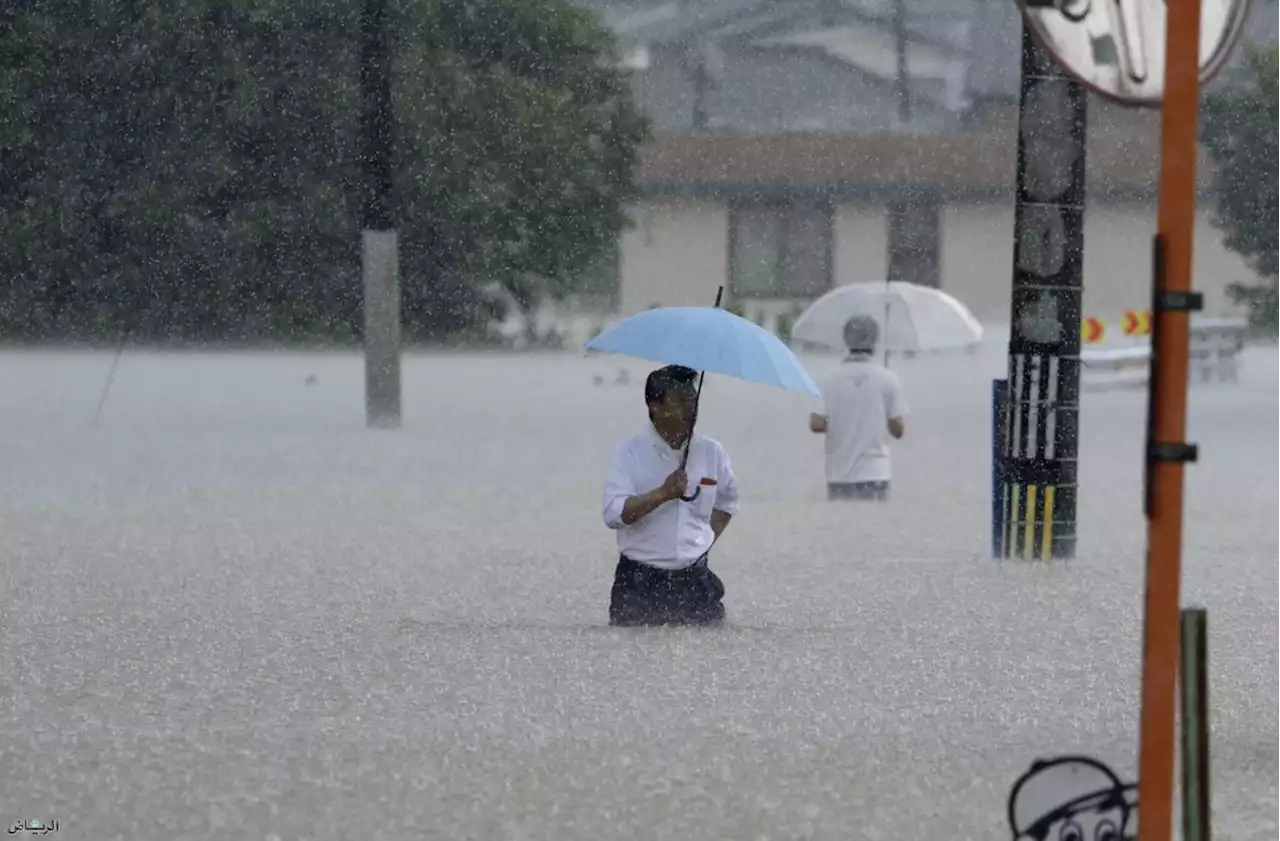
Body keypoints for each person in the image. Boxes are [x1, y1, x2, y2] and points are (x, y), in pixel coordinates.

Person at [601, 364, 740, 626]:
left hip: (695, 582)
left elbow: (727, 504)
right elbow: (613, 514)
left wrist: (701, 543)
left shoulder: (713, 452)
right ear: (655, 406)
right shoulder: (629, 453)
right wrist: (662, 494)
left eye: (693, 399)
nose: (691, 408)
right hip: (639, 583)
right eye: (680, 401)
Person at [808, 314, 908, 501]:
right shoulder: (888, 379)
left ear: (846, 340)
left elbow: (816, 424)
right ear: (875, 341)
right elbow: (899, 431)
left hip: (839, 473)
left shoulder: (827, 379)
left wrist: (843, 420)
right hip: (877, 473)